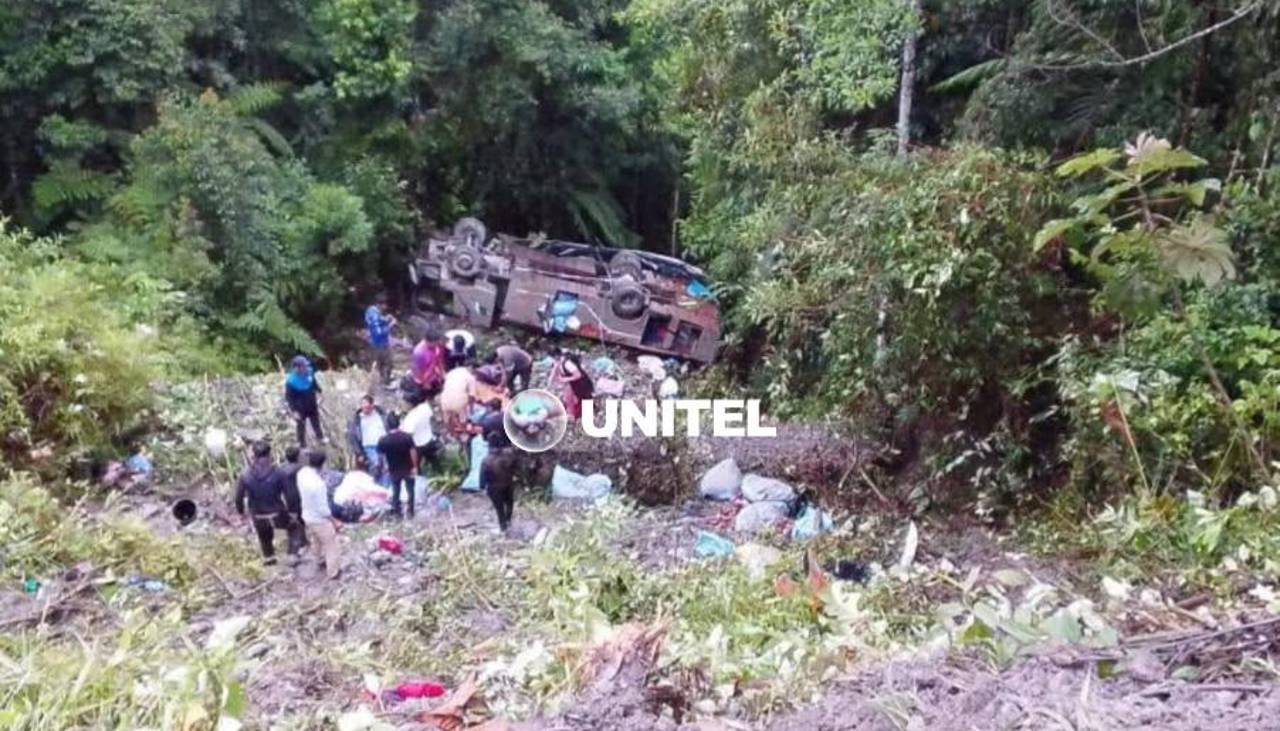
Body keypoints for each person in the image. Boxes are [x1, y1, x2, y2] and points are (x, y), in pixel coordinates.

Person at [234, 441, 288, 566]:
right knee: (294, 528)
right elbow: (288, 493)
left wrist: (241, 512)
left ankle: (270, 559)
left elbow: (238, 497)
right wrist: (292, 512)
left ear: (254, 455)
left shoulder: (245, 475)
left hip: (259, 514)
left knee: (264, 539)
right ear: (270, 454)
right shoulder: (279, 472)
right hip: (278, 512)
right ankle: (294, 551)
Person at [298, 449, 342, 579]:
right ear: (322, 464)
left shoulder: (302, 473)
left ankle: (319, 560)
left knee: (316, 540)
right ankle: (333, 572)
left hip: (307, 515)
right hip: (319, 520)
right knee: (331, 545)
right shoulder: (318, 485)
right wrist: (335, 522)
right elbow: (324, 510)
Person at [377, 413, 418, 519]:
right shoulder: (407, 437)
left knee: (396, 491)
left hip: (393, 469)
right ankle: (411, 511)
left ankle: (397, 512)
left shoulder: (383, 440)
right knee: (410, 490)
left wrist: (383, 467)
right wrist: (414, 466)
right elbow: (413, 452)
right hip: (407, 467)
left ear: (387, 425)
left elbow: (381, 457)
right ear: (398, 423)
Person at [480, 429, 519, 533]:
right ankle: (508, 521)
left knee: (499, 508)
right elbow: (516, 467)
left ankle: (503, 528)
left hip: (494, 488)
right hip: (508, 484)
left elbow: (483, 478)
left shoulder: (486, 460)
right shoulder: (510, 454)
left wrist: (482, 487)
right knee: (509, 503)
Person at [346, 395, 388, 484]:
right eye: (363, 407)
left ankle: (386, 490)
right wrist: (359, 453)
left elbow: (389, 428)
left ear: (372, 405)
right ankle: (376, 488)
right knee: (375, 467)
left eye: (368, 407)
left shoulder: (382, 415)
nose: (365, 410)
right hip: (369, 446)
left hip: (385, 444)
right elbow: (353, 438)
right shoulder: (356, 420)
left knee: (387, 468)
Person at [285, 355, 325, 446]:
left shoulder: (309, 372)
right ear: (297, 368)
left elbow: (314, 383)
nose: (306, 368)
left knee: (316, 422)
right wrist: (294, 411)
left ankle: (320, 437)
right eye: (303, 366)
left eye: (306, 366)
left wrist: (319, 391)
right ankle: (301, 444)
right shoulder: (291, 382)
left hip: (311, 403)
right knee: (301, 426)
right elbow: (289, 397)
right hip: (300, 407)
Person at [402, 384, 443, 472]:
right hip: (429, 440)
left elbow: (408, 435)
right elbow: (431, 416)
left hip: (417, 445)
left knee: (417, 466)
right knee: (434, 462)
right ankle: (440, 474)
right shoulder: (425, 408)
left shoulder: (410, 418)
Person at [278, 445, 308, 558]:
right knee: (300, 520)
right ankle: (298, 547)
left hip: (286, 497)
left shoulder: (281, 468)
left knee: (294, 521)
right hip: (298, 496)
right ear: (297, 456)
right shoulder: (300, 468)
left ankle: (302, 542)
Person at [551, 348, 593, 420]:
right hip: (575, 384)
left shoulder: (567, 363)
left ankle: (589, 409)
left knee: (584, 400)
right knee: (574, 399)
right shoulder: (559, 362)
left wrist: (565, 379)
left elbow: (578, 375)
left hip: (582, 383)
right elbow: (554, 372)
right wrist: (551, 382)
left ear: (556, 356)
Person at [364, 295, 396, 387]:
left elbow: (377, 321)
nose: (385, 307)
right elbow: (378, 332)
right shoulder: (374, 315)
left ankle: (381, 381)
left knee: (380, 363)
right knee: (387, 363)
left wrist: (386, 319)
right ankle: (384, 383)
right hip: (379, 343)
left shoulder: (371, 310)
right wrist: (390, 325)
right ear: (380, 305)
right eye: (384, 305)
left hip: (374, 342)